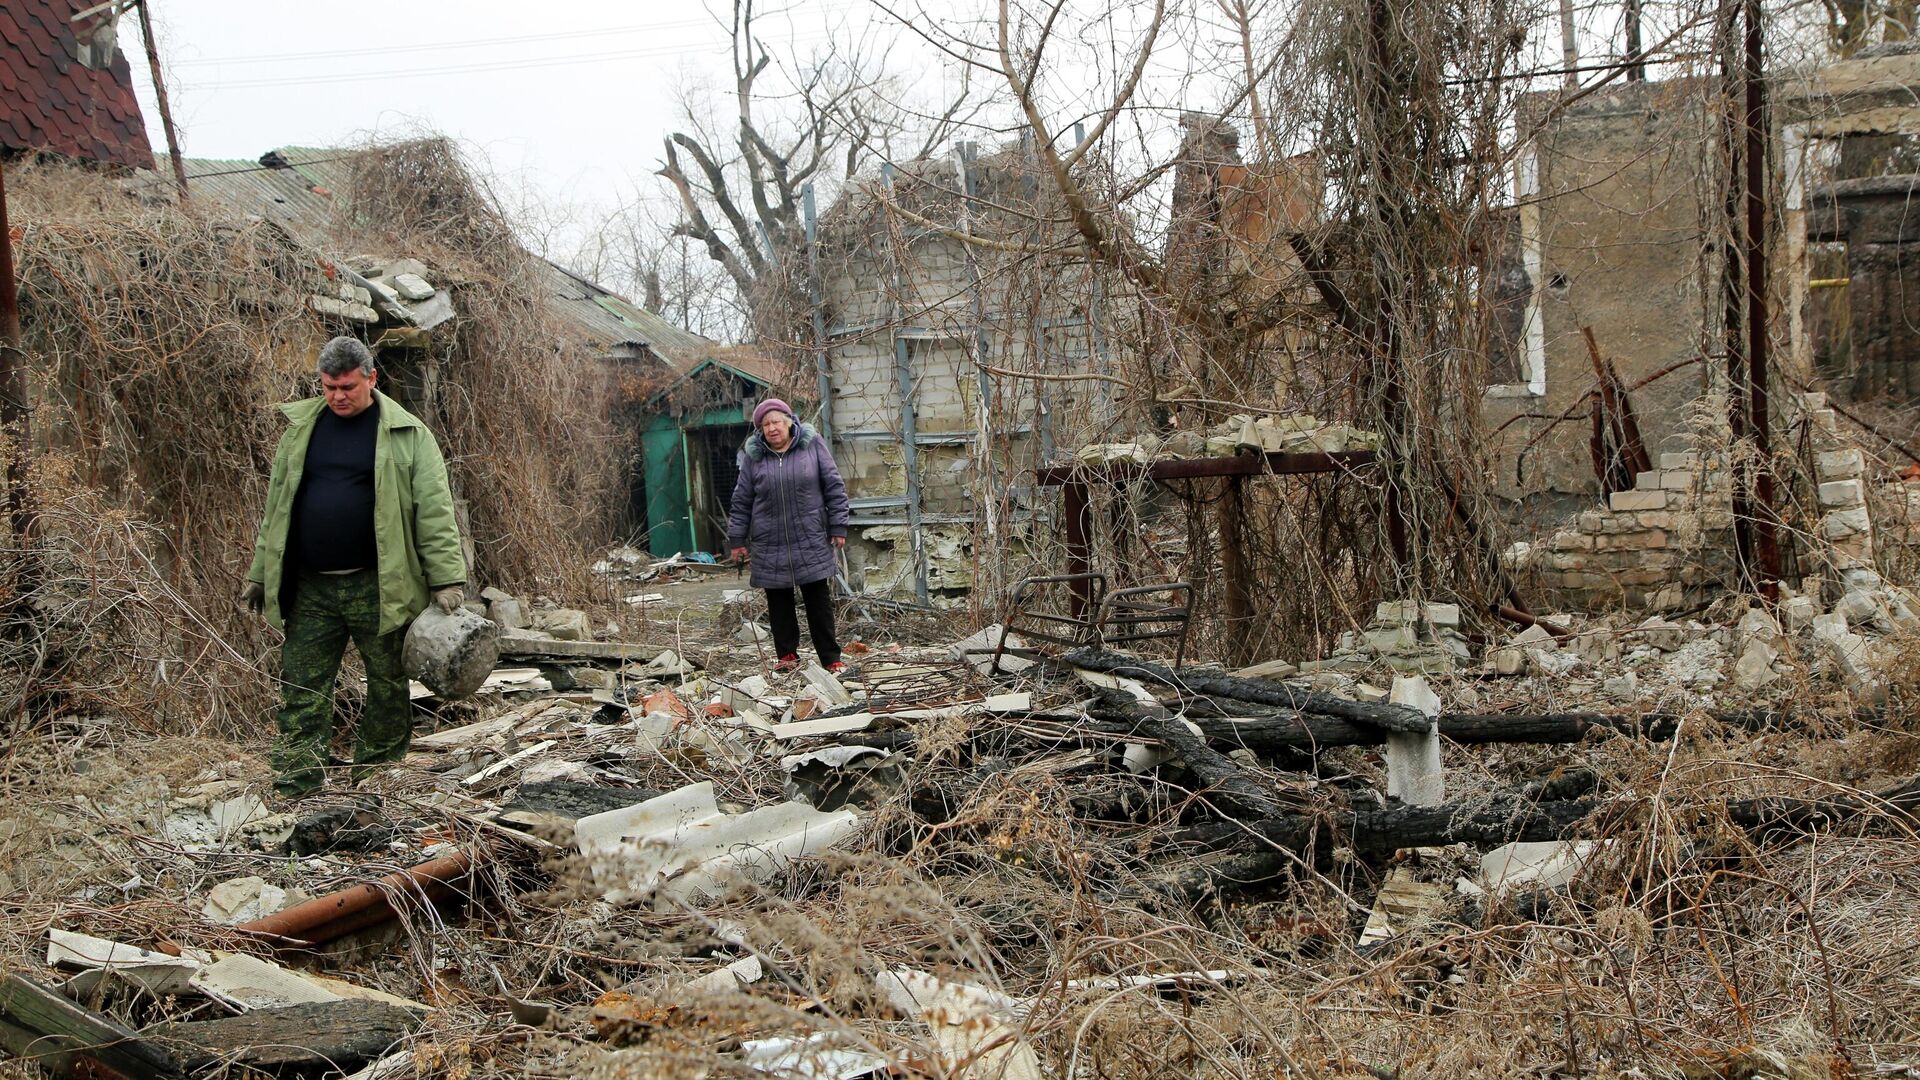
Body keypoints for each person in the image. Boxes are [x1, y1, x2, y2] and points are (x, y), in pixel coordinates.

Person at [244, 336, 467, 798]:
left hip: (380, 586)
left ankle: (377, 777)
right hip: (310, 588)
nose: (338, 396)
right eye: (329, 388)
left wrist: (446, 578)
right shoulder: (301, 430)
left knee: (387, 685)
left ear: (372, 379)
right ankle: (297, 781)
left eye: (347, 387)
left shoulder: (407, 434)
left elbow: (434, 510)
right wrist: (260, 573)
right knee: (302, 683)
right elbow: (278, 508)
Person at [727, 398, 850, 674]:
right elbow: (741, 500)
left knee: (818, 601)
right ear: (760, 430)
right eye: (765, 424)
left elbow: (834, 485)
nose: (772, 428)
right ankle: (787, 656)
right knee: (779, 602)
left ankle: (831, 658)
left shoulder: (812, 445)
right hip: (770, 542)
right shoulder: (754, 457)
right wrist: (737, 540)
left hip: (810, 537)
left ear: (789, 422)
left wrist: (838, 525)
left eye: (776, 422)